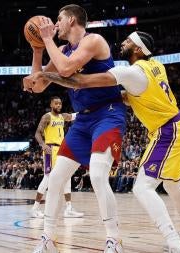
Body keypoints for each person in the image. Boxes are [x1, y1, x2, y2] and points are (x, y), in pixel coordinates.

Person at [35, 31, 180, 253]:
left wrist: (46, 76)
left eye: (128, 41)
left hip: (167, 129)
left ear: (138, 50)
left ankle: (176, 245)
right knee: (172, 184)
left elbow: (82, 81)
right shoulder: (156, 66)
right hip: (178, 123)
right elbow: (135, 95)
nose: (122, 43)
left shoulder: (130, 72)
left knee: (142, 188)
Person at [23, 4, 127, 253]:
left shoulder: (94, 40)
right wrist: (38, 50)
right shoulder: (60, 49)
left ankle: (114, 239)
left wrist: (46, 38)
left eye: (59, 19)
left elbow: (67, 68)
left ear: (71, 20)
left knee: (99, 176)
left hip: (108, 114)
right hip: (82, 121)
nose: (55, 24)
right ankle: (47, 238)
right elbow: (35, 87)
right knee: (56, 178)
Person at [30, 96, 83, 218]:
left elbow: (74, 116)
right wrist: (42, 144)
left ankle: (69, 208)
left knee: (67, 176)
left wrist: (88, 110)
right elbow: (37, 133)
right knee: (48, 178)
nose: (58, 105)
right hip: (50, 149)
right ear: (51, 105)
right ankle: (35, 208)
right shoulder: (47, 116)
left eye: (60, 103)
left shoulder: (63, 116)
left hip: (62, 149)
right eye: (56, 104)